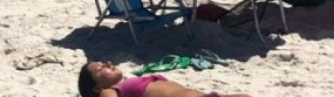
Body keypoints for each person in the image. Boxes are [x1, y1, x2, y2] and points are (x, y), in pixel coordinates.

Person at [79, 61, 253, 97]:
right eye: (100, 69)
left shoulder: (127, 85)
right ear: (96, 88)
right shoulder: (110, 91)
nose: (108, 63)